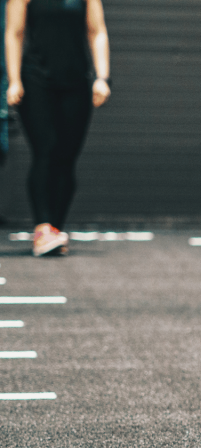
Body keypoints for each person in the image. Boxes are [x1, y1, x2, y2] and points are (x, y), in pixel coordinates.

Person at [5, 0, 110, 256]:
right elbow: (13, 33)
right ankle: (43, 228)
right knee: (46, 149)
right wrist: (14, 80)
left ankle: (54, 229)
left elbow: (97, 32)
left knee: (66, 157)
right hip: (36, 79)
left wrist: (102, 78)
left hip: (76, 82)